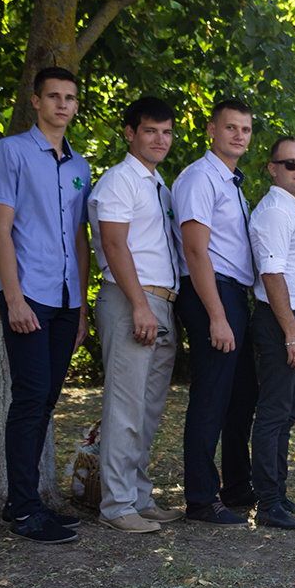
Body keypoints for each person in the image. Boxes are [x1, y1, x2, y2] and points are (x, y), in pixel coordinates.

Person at [0, 67, 90, 543]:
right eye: (54, 97)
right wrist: (14, 297)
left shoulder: (80, 166)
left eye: (69, 97)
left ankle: (20, 503)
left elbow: (81, 241)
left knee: (45, 400)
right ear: (36, 101)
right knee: (30, 398)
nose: (62, 105)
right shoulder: (11, 152)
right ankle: (26, 511)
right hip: (29, 296)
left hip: (67, 299)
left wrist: (83, 308)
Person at [89, 96, 184, 533]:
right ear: (130, 133)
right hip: (132, 301)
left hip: (160, 301)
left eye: (166, 132)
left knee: (147, 409)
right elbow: (113, 246)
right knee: (125, 406)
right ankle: (116, 505)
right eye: (150, 131)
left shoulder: (157, 184)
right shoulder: (118, 181)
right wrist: (141, 305)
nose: (160, 139)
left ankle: (139, 495)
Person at [171, 99, 258, 526]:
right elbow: (194, 249)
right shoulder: (199, 177)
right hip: (211, 295)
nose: (239, 135)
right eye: (231, 127)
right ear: (211, 130)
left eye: (245, 129)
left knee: (241, 395)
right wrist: (218, 316)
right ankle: (201, 499)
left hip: (234, 294)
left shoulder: (232, 182)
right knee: (210, 397)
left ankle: (237, 485)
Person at [246, 137, 295, 529]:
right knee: (274, 412)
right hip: (282, 321)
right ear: (273, 168)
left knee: (290, 410)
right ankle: (267, 501)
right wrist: (293, 332)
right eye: (291, 163)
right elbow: (271, 274)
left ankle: (279, 493)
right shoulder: (276, 210)